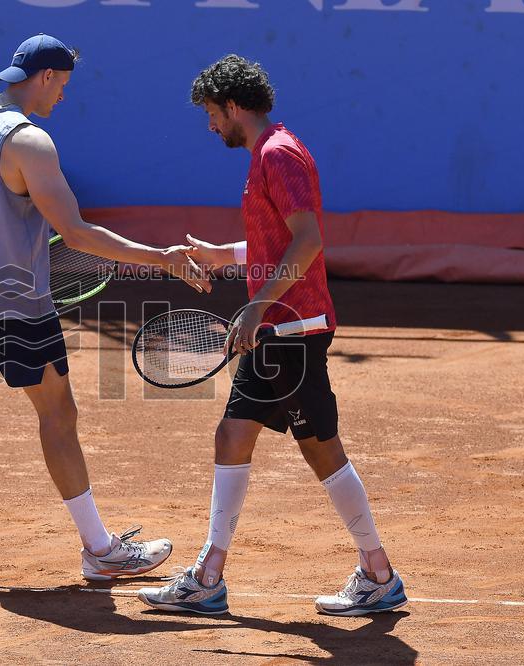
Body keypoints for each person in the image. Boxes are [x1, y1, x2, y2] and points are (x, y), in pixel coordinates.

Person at [0, 34, 210, 586]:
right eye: (63, 85)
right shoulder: (31, 141)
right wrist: (161, 260)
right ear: (46, 77)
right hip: (20, 309)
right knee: (58, 416)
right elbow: (74, 232)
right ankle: (100, 550)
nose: (64, 97)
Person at [137, 55, 407, 616]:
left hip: (292, 328)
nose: (210, 126)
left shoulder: (278, 154)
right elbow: (276, 244)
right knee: (232, 436)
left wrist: (257, 306)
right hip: (276, 329)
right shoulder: (267, 153)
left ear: (233, 106)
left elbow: (307, 241)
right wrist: (224, 255)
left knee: (320, 449)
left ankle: (378, 573)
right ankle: (209, 576)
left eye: (212, 114)